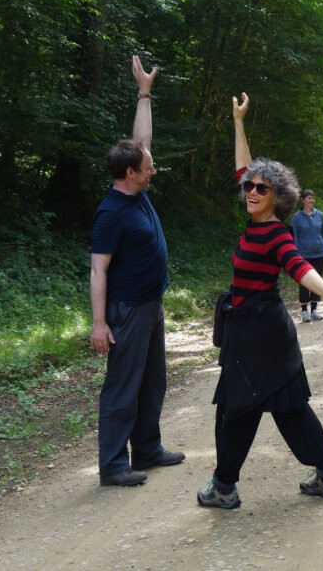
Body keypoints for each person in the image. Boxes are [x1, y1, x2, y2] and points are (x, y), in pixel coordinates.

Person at [196, 92, 323, 509]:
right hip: (262, 333)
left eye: (262, 188)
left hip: (259, 335)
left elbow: (299, 267)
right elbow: (244, 165)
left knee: (236, 410)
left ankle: (223, 487)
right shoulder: (255, 220)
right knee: (290, 410)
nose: (252, 190)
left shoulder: (275, 234)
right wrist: (238, 123)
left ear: (278, 198)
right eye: (250, 185)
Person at [89, 55, 185, 487]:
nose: (154, 170)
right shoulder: (112, 212)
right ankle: (113, 466)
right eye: (148, 168)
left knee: (153, 382)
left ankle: (146, 449)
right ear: (130, 174)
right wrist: (98, 322)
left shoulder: (136, 188)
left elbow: (141, 140)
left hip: (150, 302)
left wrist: (144, 92)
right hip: (127, 310)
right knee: (123, 388)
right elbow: (97, 272)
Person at [291, 190, 323, 323]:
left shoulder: (319, 215)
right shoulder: (297, 217)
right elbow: (295, 238)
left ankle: (314, 310)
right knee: (304, 282)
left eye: (313, 199)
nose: (311, 201)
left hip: (319, 254)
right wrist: (296, 255)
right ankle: (304, 311)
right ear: (303, 200)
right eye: (309, 198)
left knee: (317, 282)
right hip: (303, 255)